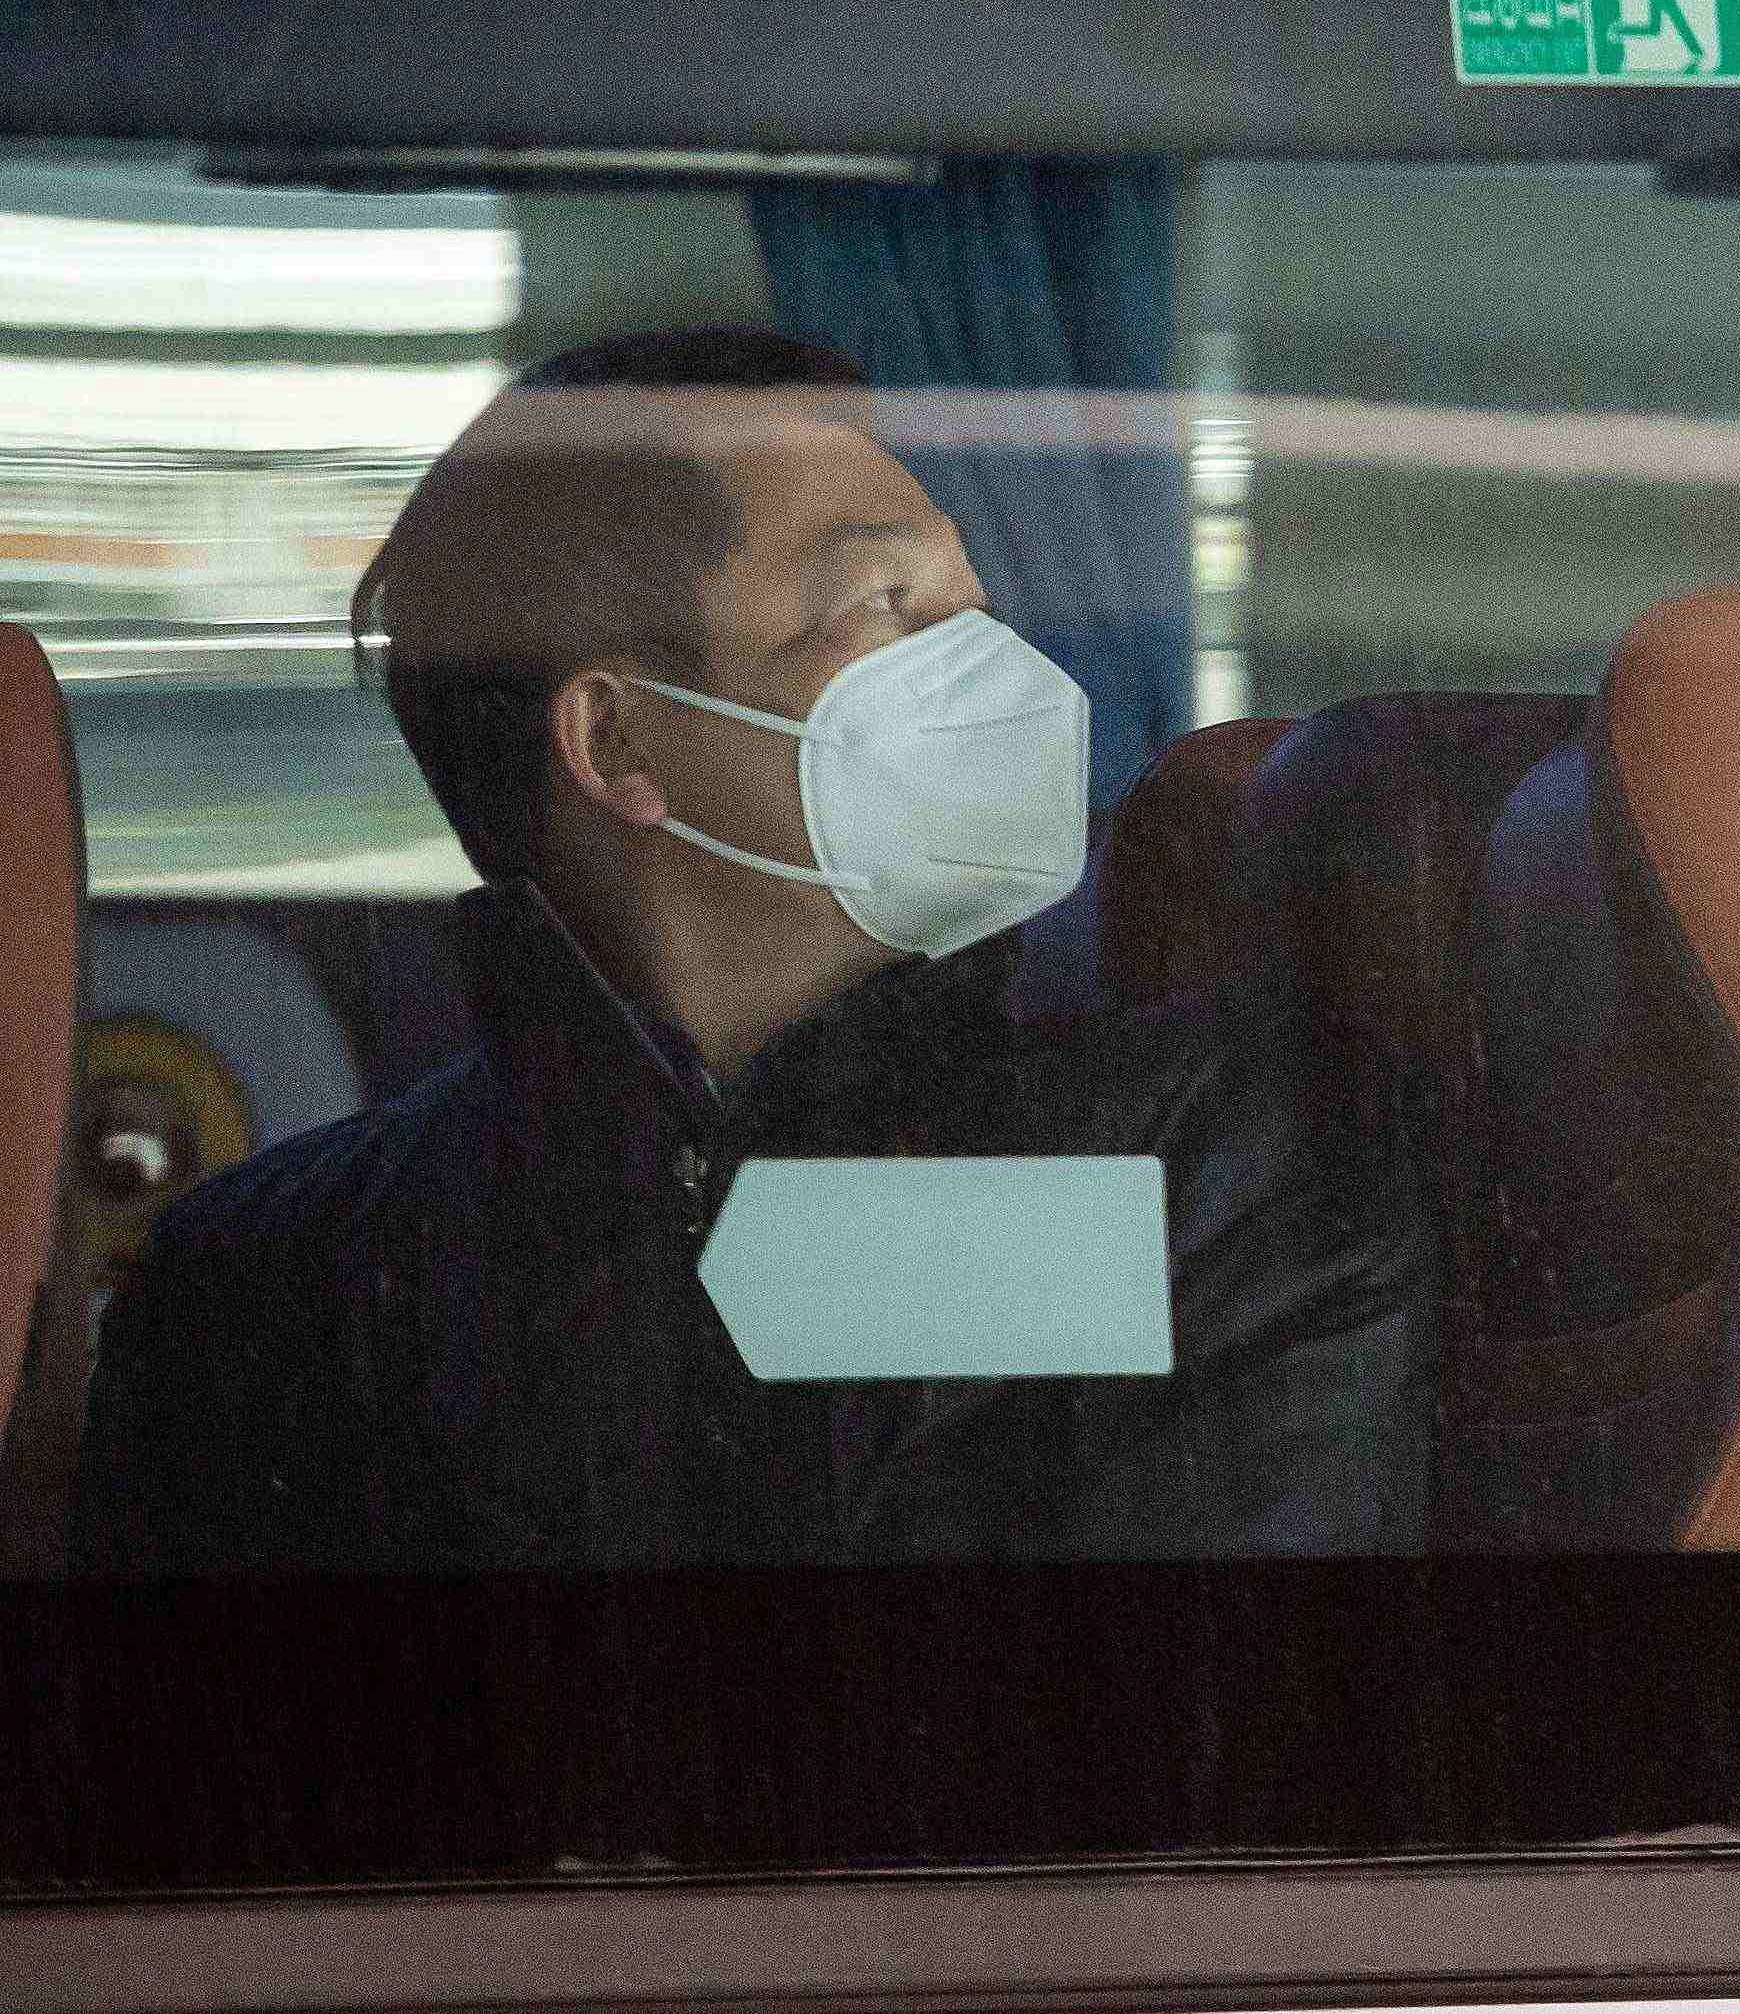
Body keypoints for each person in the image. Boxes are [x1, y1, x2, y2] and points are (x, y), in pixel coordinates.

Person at [72, 327, 1428, 1573]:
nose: (994, 666)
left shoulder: (1219, 1158)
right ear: (623, 744)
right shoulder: (263, 1289)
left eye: (975, 597)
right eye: (888, 601)